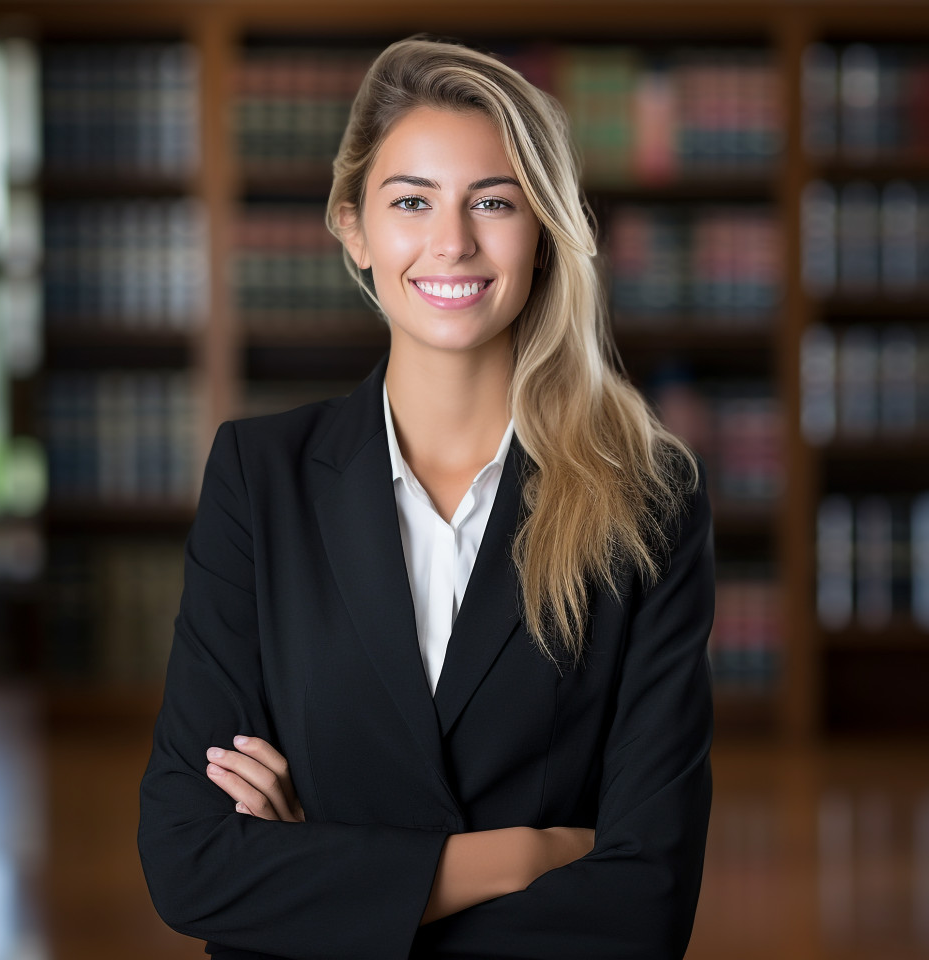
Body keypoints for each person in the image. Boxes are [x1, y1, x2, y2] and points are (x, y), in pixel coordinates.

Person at [138, 36, 714, 960]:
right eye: (412, 201)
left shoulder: (649, 500)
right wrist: (523, 855)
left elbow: (644, 905)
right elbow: (190, 861)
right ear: (354, 230)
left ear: (543, 233)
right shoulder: (258, 477)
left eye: (494, 202)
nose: (453, 242)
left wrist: (320, 879)